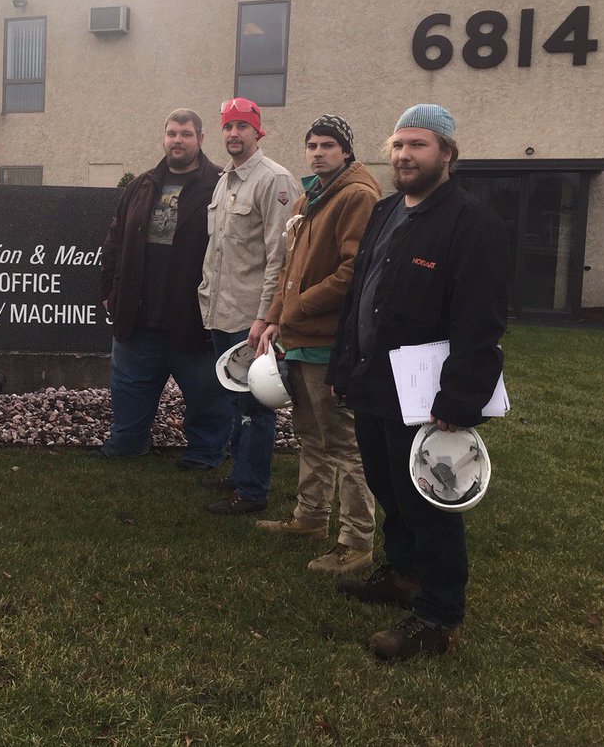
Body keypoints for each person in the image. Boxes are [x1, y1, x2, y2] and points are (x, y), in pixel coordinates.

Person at [328, 104, 507, 661]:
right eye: (399, 144)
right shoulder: (385, 211)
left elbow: (481, 322)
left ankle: (437, 618)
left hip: (428, 398)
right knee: (387, 485)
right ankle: (403, 574)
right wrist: (342, 369)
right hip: (375, 383)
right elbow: (360, 296)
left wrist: (459, 399)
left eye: (419, 145)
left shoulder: (473, 223)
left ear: (447, 154)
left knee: (429, 503)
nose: (404, 155)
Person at [252, 115, 381, 572]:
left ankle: (357, 541)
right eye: (312, 145)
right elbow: (288, 265)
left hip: (331, 341)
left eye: (328, 145)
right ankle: (309, 517)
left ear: (346, 151)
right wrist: (274, 318)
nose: (318, 152)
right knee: (310, 435)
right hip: (299, 337)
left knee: (346, 443)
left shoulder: (357, 197)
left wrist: (300, 305)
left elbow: (354, 271)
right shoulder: (312, 196)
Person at [98, 109, 232, 468]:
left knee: (207, 397)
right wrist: (109, 291)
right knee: (128, 393)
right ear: (164, 137)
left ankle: (205, 454)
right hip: (138, 317)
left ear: (201, 139)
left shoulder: (221, 183)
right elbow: (114, 240)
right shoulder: (141, 186)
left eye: (186, 134)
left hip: (193, 319)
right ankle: (127, 444)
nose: (178, 140)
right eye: (172, 133)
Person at [197, 97, 301, 513]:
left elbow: (282, 258)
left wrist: (265, 318)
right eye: (227, 127)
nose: (234, 134)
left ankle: (253, 491)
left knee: (256, 405)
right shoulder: (225, 181)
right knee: (234, 400)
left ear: (259, 131)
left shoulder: (274, 180)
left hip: (251, 318)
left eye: (242, 126)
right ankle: (239, 475)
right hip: (221, 312)